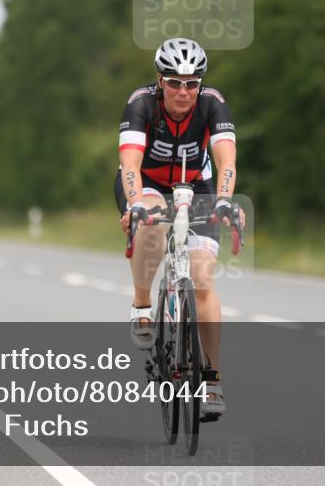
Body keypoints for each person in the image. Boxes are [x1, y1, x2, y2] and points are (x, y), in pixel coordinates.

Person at [115, 37, 246, 420]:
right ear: (160, 81)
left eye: (192, 83)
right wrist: (136, 204)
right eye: (175, 82)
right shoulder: (141, 103)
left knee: (203, 277)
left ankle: (211, 379)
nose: (183, 91)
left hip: (198, 184)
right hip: (148, 184)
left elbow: (226, 163)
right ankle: (142, 304)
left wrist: (224, 199)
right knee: (152, 226)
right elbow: (129, 165)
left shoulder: (213, 104)